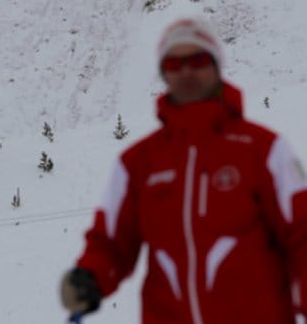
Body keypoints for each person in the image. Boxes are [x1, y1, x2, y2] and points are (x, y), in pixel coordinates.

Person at [60, 17, 307, 322]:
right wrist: (90, 276)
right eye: (174, 64)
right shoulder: (138, 162)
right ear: (164, 73)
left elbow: (302, 232)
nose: (187, 71)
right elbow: (110, 242)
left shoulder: (264, 150)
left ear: (216, 65)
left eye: (198, 60)